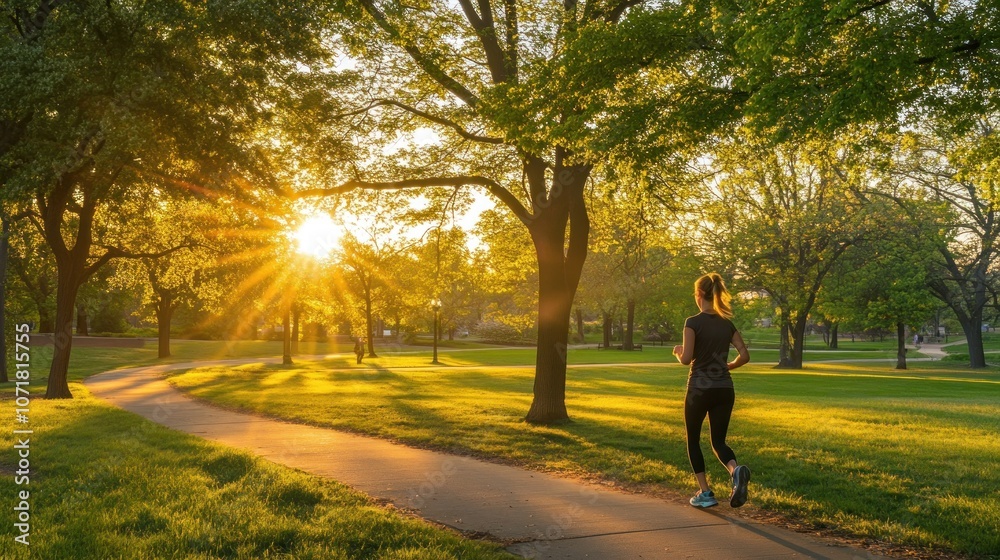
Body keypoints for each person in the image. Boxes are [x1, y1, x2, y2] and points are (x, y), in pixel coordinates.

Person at [673, 273, 752, 509]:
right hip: (724, 389)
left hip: (699, 390)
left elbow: (687, 359)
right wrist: (728, 366)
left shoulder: (692, 322)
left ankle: (705, 493)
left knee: (693, 440)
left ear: (699, 294)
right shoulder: (726, 323)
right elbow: (744, 355)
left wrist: (678, 352)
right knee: (718, 441)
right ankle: (735, 471)